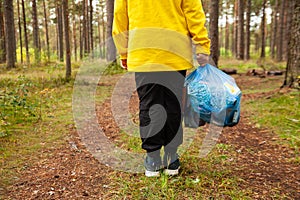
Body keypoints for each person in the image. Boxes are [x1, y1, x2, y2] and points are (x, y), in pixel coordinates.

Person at [112, 0, 211, 177]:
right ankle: (172, 157)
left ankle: (153, 158)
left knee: (149, 104)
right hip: (175, 50)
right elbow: (194, 12)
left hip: (143, 50)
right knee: (173, 104)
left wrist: (124, 51)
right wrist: (202, 45)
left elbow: (120, 17)